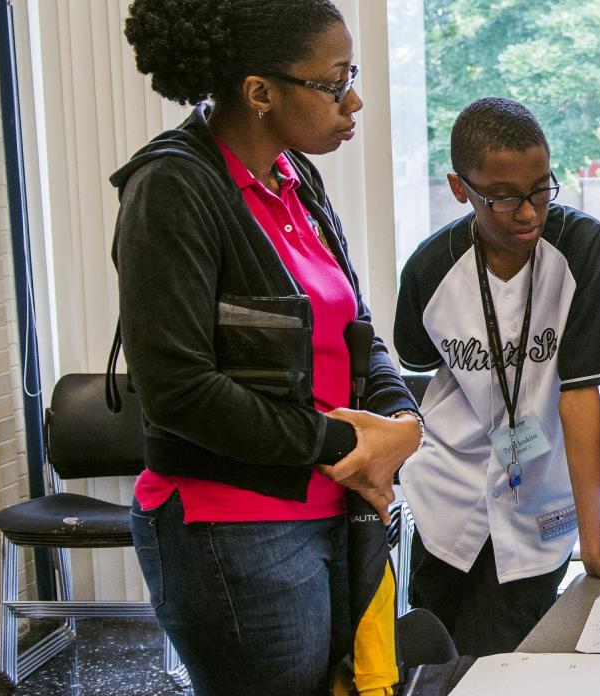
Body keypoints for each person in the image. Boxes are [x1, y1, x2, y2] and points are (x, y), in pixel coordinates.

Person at [115, 1, 421, 693]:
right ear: (260, 92)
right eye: (334, 81)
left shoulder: (294, 177)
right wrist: (344, 445)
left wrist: (402, 421)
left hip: (325, 509)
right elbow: (178, 390)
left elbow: (355, 327)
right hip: (230, 527)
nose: (356, 99)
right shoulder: (172, 188)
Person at [393, 97, 600, 658]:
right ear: (459, 187)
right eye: (505, 197)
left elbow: (579, 395)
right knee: (431, 660)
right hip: (447, 495)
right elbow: (418, 372)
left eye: (542, 189)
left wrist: (595, 548)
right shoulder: (429, 269)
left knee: (500, 660)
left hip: (538, 495)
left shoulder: (584, 250)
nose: (528, 213)